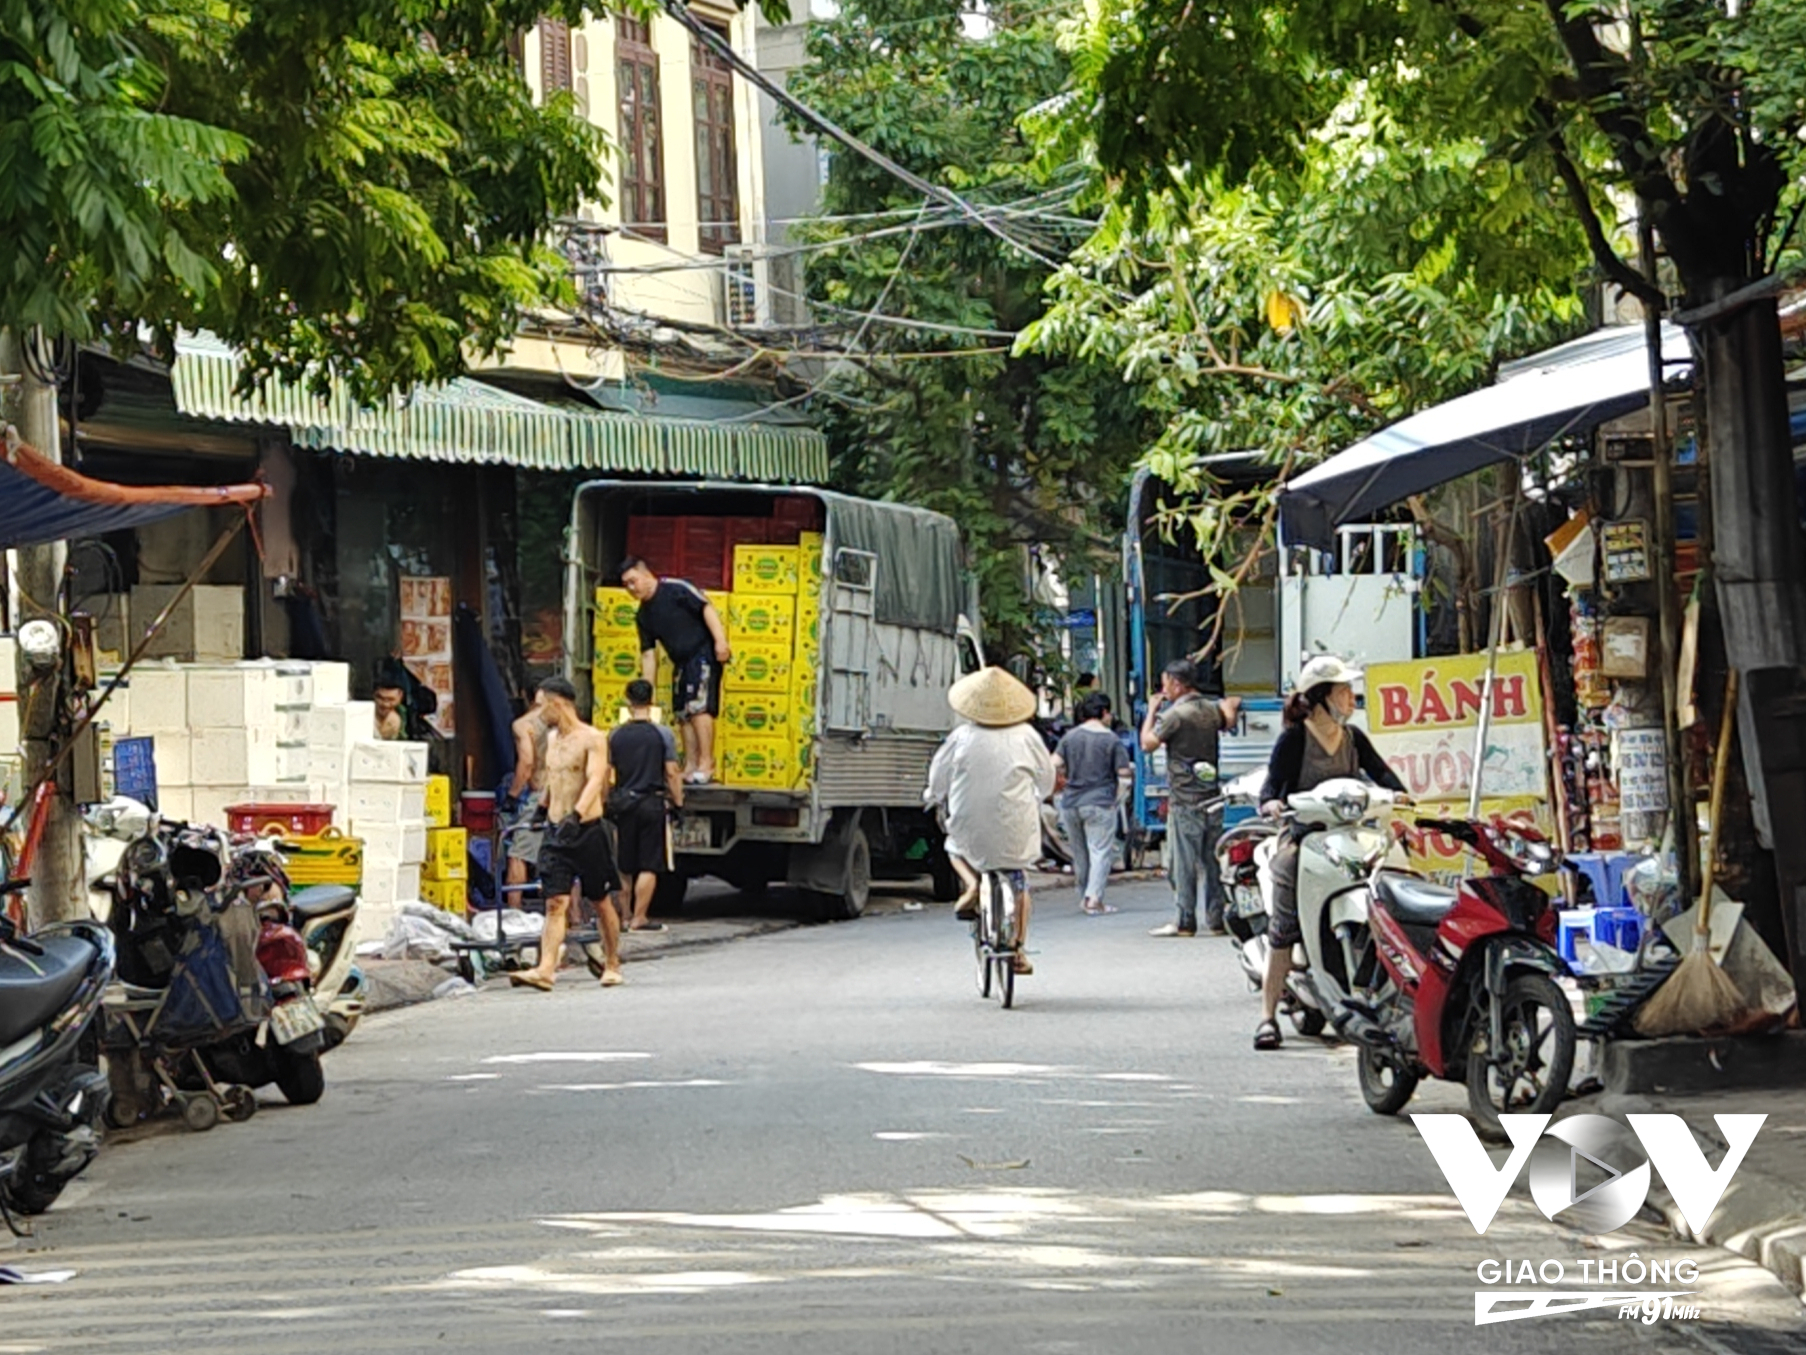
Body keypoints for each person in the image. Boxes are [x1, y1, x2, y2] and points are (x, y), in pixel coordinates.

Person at [1253, 655, 1407, 1050]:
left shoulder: (1354, 737)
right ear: (1322, 698)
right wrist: (1271, 804)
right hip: (1303, 838)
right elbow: (1271, 788)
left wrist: (1403, 796)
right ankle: (1267, 1016)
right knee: (1284, 926)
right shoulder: (1295, 738)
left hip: (1353, 837)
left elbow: (1383, 775)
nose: (1351, 699)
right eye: (1344, 692)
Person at [926, 667, 1056, 975]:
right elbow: (1047, 780)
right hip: (1015, 825)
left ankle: (971, 884)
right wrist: (1039, 794)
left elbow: (938, 778)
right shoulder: (1028, 736)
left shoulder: (960, 737)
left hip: (969, 825)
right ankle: (1019, 950)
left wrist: (933, 795)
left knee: (954, 847)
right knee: (1019, 881)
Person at [510, 676, 623, 991]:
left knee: (599, 901)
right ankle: (546, 969)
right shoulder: (553, 739)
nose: (539, 712)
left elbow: (594, 777)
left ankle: (612, 962)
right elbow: (554, 780)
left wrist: (578, 812)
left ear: (557, 703)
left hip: (586, 830)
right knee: (555, 902)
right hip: (557, 831)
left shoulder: (593, 738)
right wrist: (542, 810)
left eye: (542, 704)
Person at [1140, 659, 1241, 937]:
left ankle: (1185, 920)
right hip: (1212, 796)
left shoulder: (1176, 715)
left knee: (1182, 863)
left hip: (1185, 798)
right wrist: (1231, 704)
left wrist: (1151, 712)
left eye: (1165, 684)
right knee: (1212, 861)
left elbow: (1147, 744)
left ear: (1176, 683)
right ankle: (1216, 919)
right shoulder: (1210, 711)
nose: (1163, 690)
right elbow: (1228, 718)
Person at [618, 556, 732, 785]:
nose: (631, 588)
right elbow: (649, 654)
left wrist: (721, 641)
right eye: (626, 585)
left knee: (699, 708)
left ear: (645, 574)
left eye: (633, 581)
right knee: (682, 713)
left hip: (702, 654)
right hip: (680, 662)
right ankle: (689, 765)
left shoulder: (675, 589)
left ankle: (706, 764)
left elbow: (706, 608)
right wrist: (646, 692)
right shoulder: (643, 616)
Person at [607, 679, 685, 934]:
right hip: (651, 802)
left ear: (628, 702)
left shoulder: (615, 735)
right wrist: (678, 802)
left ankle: (624, 915)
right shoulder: (663, 734)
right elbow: (672, 772)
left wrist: (606, 801)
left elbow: (607, 772)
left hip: (623, 803)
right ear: (651, 701)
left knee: (624, 864)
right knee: (649, 864)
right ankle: (640, 917)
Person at [1053, 691, 1133, 915]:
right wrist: (1117, 798)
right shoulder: (1111, 739)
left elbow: (1054, 762)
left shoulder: (1070, 737)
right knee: (1100, 851)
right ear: (1104, 712)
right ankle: (1094, 898)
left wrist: (1064, 778)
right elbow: (1124, 774)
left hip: (1070, 803)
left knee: (1080, 854)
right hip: (1099, 801)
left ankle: (1084, 895)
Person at [504, 692, 550, 893]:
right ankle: (574, 916)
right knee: (565, 858)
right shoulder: (574, 727)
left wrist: (512, 795)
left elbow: (527, 763)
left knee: (518, 853)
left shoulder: (524, 724)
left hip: (540, 795)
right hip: (568, 796)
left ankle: (514, 914)